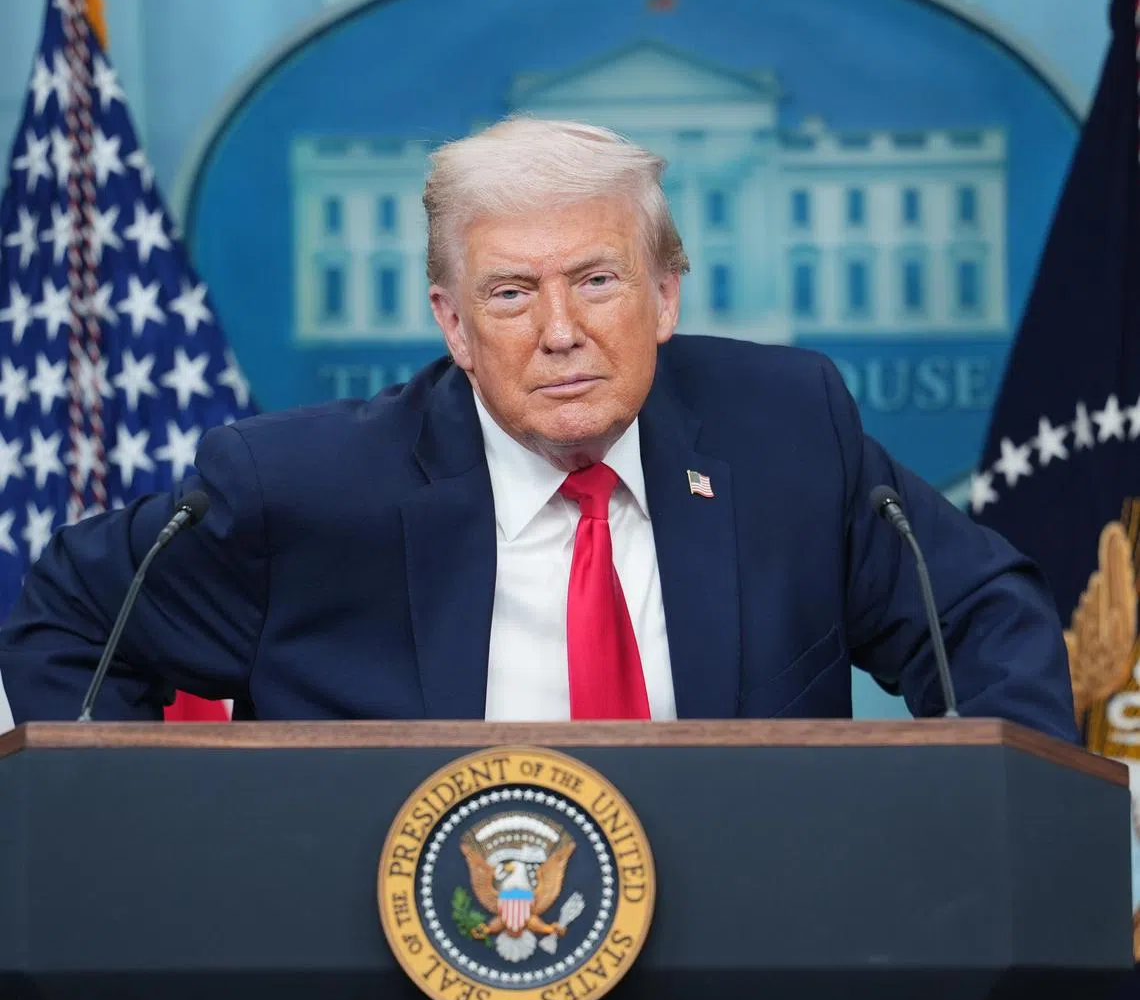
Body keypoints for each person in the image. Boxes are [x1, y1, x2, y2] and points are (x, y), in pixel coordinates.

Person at [0, 117, 1078, 738]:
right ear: (454, 325)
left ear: (665, 297)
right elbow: (70, 618)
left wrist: (966, 850)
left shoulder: (786, 429)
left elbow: (983, 614)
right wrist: (168, 862)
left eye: (598, 281)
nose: (560, 331)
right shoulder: (302, 488)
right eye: (511, 295)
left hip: (752, 992)